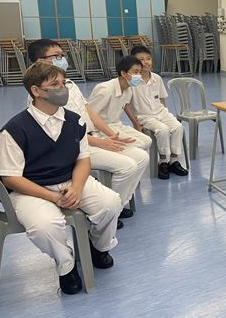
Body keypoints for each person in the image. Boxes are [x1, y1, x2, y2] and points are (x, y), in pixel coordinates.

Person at [0, 62, 122, 295]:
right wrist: (52, 197)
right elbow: (10, 178)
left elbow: (83, 160)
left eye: (63, 83)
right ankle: (66, 265)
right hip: (29, 189)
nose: (63, 89)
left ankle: (98, 246)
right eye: (54, 85)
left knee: (111, 203)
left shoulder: (75, 121)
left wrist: (77, 187)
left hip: (69, 180)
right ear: (36, 91)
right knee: (45, 226)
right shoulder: (14, 130)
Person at [27, 40, 149, 227]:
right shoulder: (41, 95)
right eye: (56, 56)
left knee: (141, 157)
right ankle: (105, 213)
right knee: (127, 166)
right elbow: (63, 133)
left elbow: (90, 112)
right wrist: (100, 143)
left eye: (62, 55)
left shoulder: (69, 84)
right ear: (39, 61)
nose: (62, 59)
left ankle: (116, 206)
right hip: (75, 147)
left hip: (92, 137)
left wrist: (111, 135)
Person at [125, 45, 188, 179]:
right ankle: (163, 162)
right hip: (145, 117)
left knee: (178, 127)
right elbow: (125, 105)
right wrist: (135, 123)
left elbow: (162, 99)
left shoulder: (157, 78)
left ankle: (174, 161)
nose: (146, 62)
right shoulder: (132, 82)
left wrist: (165, 114)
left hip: (161, 113)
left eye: (148, 58)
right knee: (163, 130)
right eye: (141, 59)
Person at [87, 56, 152, 153]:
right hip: (100, 129)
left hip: (116, 125)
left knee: (147, 141)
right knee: (139, 144)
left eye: (140, 72)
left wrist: (136, 123)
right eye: (135, 72)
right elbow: (89, 115)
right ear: (123, 73)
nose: (139, 76)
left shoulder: (128, 89)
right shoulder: (105, 89)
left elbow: (124, 106)